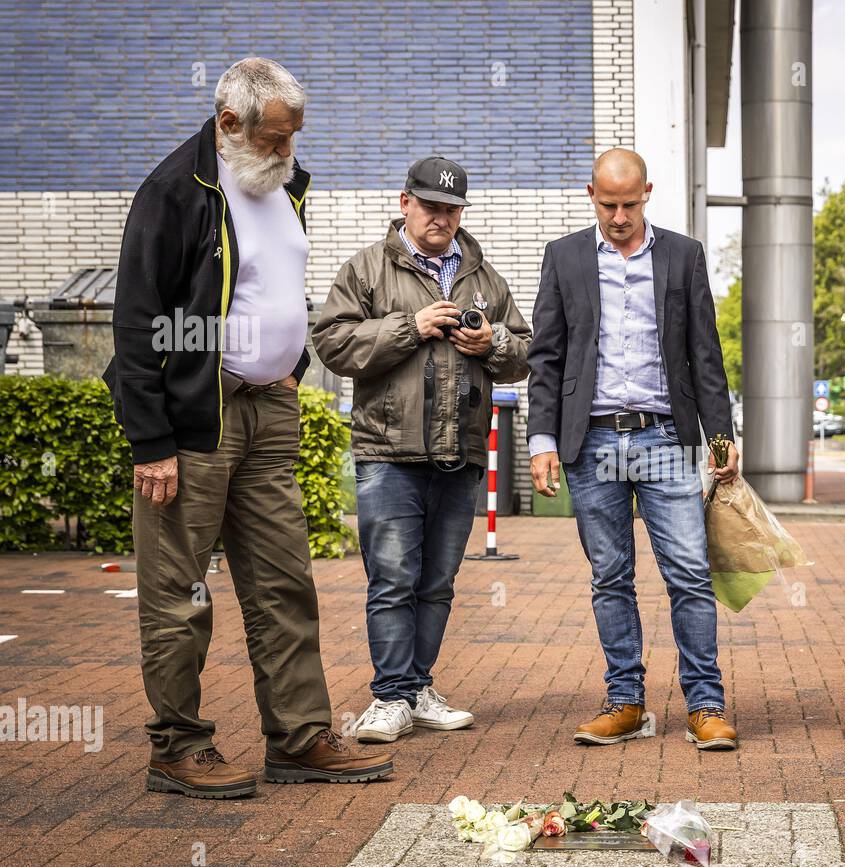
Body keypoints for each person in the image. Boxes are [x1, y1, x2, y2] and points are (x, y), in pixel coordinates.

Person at [104, 58, 394, 797]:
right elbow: (138, 324)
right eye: (275, 135)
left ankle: (298, 740)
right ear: (229, 123)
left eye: (295, 134)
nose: (288, 148)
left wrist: (290, 362)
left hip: (270, 410)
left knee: (283, 583)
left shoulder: (283, 185)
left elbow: (276, 286)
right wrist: (152, 442)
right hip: (197, 419)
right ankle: (177, 747)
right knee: (180, 593)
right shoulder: (175, 192)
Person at [527, 148, 739, 751]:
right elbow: (546, 356)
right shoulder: (564, 257)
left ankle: (706, 705)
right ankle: (625, 701)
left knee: (690, 575)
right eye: (607, 203)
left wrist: (720, 438)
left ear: (648, 191)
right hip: (591, 440)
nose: (618, 216)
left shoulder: (683, 254)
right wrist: (542, 440)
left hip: (666, 436)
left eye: (629, 202)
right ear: (589, 194)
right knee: (611, 576)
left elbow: (706, 355)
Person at [313, 157, 532, 743]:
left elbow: (525, 353)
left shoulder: (484, 277)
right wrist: (409, 326)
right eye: (431, 205)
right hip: (388, 451)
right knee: (391, 579)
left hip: (460, 453)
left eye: (452, 209)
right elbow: (330, 343)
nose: (441, 218)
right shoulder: (367, 268)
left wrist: (493, 341)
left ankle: (416, 687)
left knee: (437, 582)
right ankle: (388, 698)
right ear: (404, 201)